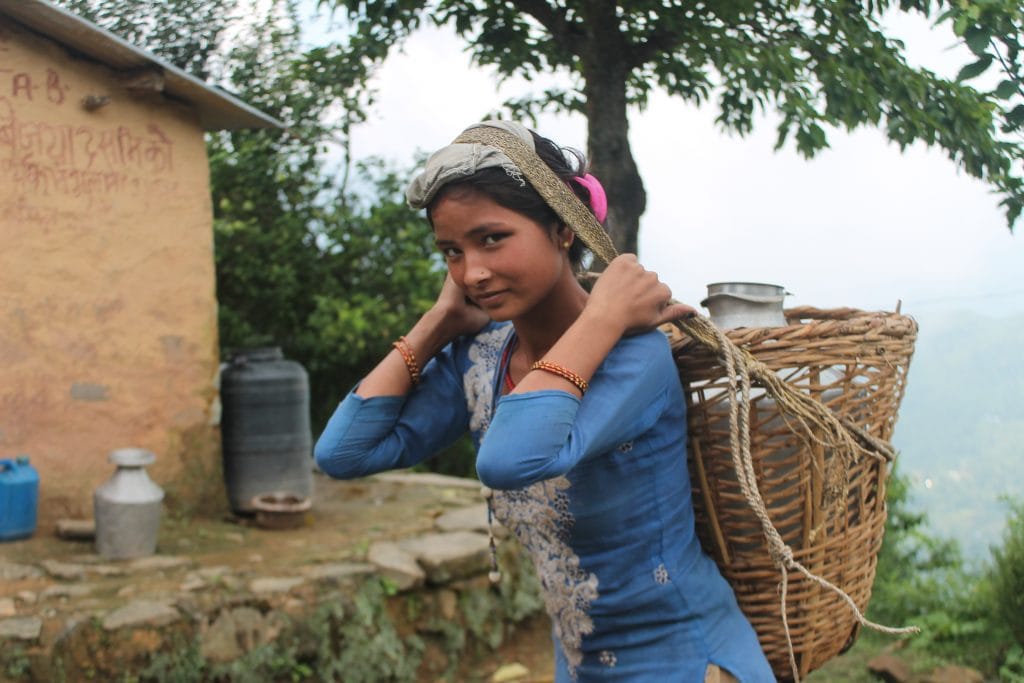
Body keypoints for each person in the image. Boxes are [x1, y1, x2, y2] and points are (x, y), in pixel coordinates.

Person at [314, 120, 775, 682]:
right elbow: (342, 453)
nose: (472, 272)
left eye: (492, 238)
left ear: (562, 230)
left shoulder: (635, 359)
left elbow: (511, 459)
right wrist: (437, 323)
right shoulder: (482, 358)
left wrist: (604, 315)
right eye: (451, 252)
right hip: (579, 666)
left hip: (683, 659)